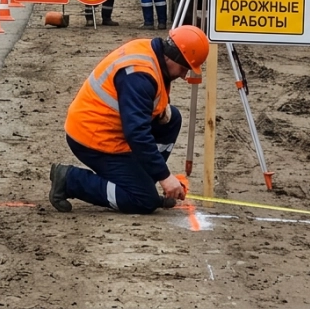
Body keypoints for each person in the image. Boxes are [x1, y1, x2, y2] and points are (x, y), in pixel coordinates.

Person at [49, 26, 210, 214]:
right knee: (143, 201)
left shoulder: (151, 52)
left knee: (171, 119)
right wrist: (165, 177)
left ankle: (141, 179)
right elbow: (136, 133)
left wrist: (158, 112)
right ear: (172, 56)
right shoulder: (140, 75)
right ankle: (70, 180)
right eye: (184, 68)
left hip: (111, 127)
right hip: (93, 138)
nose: (184, 76)